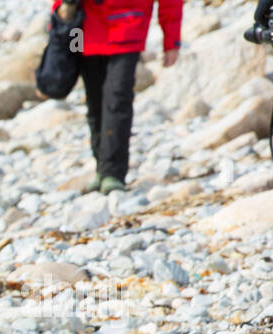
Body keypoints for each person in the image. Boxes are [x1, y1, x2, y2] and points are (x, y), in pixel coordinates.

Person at [53, 0, 182, 193]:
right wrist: (59, 26)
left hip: (127, 28)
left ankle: (113, 174)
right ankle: (102, 169)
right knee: (94, 103)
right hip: (84, 30)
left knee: (117, 100)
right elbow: (61, 8)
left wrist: (171, 41)